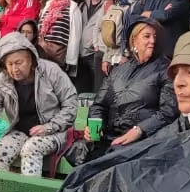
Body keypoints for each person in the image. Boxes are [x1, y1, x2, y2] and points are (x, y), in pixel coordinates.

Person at [73, 19, 176, 164]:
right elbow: (99, 105)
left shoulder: (165, 70)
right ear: (134, 40)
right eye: (146, 36)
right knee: (80, 150)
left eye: (155, 37)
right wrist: (94, 126)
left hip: (143, 140)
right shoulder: (118, 70)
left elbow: (168, 112)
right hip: (108, 136)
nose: (152, 41)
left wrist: (140, 130)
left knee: (114, 157)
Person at [0, 32, 78, 175]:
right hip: (21, 131)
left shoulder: (51, 71)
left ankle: (29, 187)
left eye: (19, 63)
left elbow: (71, 104)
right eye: (10, 64)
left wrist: (49, 127)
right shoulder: (2, 80)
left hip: (55, 132)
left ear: (31, 59)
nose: (14, 69)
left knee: (31, 149)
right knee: (2, 150)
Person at [36, 0, 85, 85]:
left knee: (54, 83)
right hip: (41, 49)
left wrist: (71, 60)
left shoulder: (73, 8)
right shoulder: (48, 5)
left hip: (58, 52)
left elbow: (75, 36)